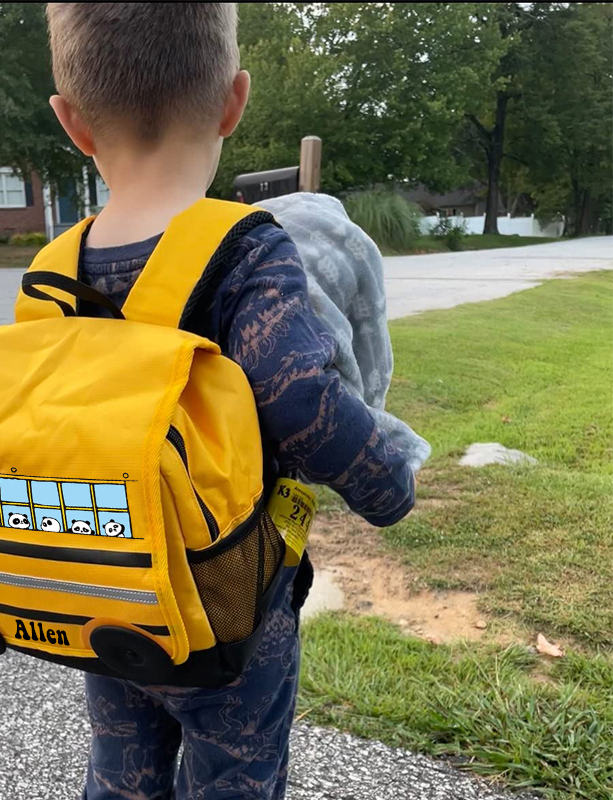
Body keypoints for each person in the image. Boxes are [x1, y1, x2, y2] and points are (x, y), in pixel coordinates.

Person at [45, 5, 416, 799]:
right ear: (233, 101)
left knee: (120, 773)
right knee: (235, 779)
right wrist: (388, 485)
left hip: (108, 589)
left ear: (72, 122)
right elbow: (297, 396)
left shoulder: (56, 268)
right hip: (226, 606)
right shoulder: (246, 247)